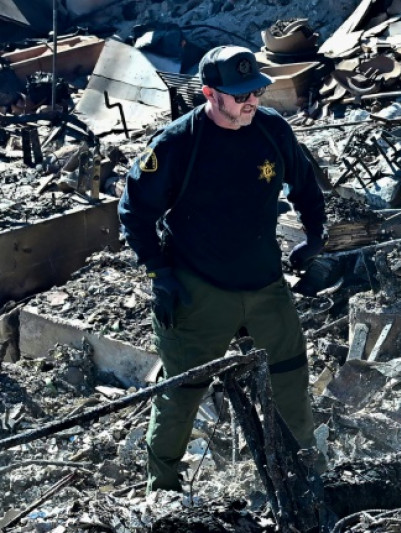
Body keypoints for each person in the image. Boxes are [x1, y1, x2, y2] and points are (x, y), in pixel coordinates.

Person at [118, 45, 328, 493]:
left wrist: (315, 238)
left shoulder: (272, 131)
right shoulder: (177, 144)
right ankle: (164, 489)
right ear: (210, 94)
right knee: (182, 392)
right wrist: (159, 273)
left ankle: (306, 473)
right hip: (199, 289)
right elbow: (134, 212)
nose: (250, 100)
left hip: (266, 283)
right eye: (239, 95)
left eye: (255, 90)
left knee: (289, 376)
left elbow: (307, 185)